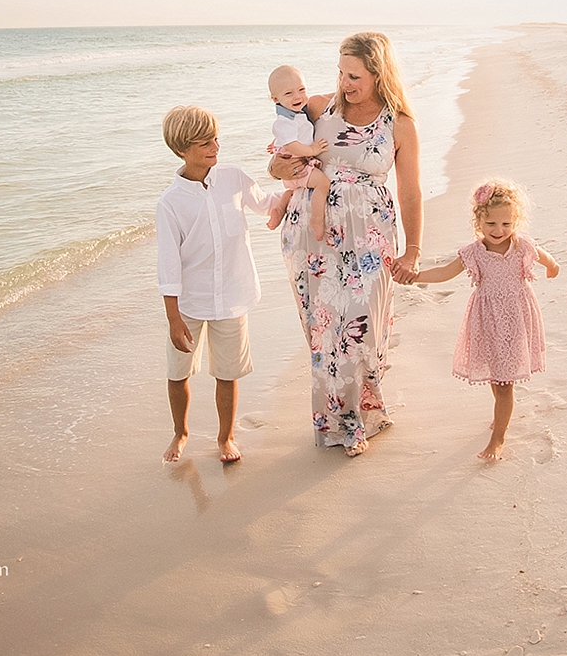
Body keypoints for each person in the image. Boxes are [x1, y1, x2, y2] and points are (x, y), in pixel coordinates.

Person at [269, 32, 424, 456]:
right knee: (325, 333)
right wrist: (282, 162)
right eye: (340, 72)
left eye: (354, 75)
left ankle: (362, 412)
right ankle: (340, 424)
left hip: (371, 237)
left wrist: (413, 251)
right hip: (314, 238)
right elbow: (276, 160)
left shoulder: (400, 124)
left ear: (379, 73)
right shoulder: (321, 107)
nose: (344, 82)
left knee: (362, 330)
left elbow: (411, 192)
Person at [155, 105, 277, 465]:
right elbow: (168, 265)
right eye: (204, 141)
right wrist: (173, 319)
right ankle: (181, 432)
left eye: (216, 138)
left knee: (227, 373)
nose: (215, 146)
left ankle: (226, 438)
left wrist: (300, 180)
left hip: (233, 298)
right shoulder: (170, 203)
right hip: (189, 303)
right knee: (178, 374)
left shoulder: (234, 178)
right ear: (182, 149)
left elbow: (268, 203)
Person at [410, 179, 558, 462]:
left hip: (515, 319)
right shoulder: (474, 252)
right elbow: (444, 272)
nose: (499, 231)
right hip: (488, 320)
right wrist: (415, 276)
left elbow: (545, 257)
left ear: (516, 221)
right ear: (478, 221)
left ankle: (498, 437)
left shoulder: (521, 247)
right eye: (491, 224)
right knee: (495, 373)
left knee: (504, 383)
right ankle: (501, 416)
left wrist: (553, 266)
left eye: (506, 224)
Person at [263, 64, 332, 233]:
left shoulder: (296, 115)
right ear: (275, 99)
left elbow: (288, 136)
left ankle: (279, 209)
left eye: (301, 89)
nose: (298, 96)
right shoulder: (284, 120)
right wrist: (313, 150)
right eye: (289, 93)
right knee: (323, 184)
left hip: (294, 168)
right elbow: (292, 145)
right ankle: (316, 219)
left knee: (292, 191)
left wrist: (276, 143)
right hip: (298, 164)